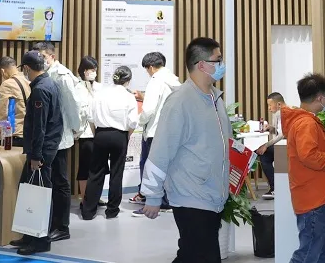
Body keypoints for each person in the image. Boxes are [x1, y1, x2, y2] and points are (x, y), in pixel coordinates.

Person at [140, 38, 230, 263]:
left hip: (212, 196)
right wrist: (153, 195)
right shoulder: (180, 102)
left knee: (198, 256)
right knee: (198, 256)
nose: (222, 65)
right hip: (191, 196)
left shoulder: (215, 99)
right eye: (218, 60)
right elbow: (161, 151)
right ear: (202, 65)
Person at [283, 74, 325, 263]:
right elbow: (308, 155)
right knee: (309, 253)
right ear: (320, 97)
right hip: (315, 198)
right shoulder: (306, 123)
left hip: (320, 195)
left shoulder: (303, 121)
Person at [9, 51, 63, 256]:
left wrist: (36, 156)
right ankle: (29, 235)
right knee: (30, 192)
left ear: (26, 68)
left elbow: (39, 126)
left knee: (39, 195)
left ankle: (40, 240)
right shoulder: (50, 83)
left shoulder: (40, 89)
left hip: (41, 151)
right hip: (46, 148)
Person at [33, 42, 83, 242]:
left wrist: (76, 128)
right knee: (48, 182)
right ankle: (48, 224)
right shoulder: (43, 74)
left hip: (60, 137)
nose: (41, 60)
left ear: (52, 56)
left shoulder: (62, 75)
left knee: (60, 181)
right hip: (47, 137)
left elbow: (73, 105)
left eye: (43, 56)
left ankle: (62, 227)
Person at [82, 66, 138, 220]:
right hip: (120, 136)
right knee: (116, 173)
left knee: (95, 172)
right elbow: (133, 123)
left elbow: (90, 117)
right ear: (128, 80)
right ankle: (112, 211)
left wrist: (97, 134)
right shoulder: (128, 96)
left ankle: (88, 211)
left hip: (100, 134)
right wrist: (126, 137)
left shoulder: (100, 94)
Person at [130, 51, 179, 215]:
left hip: (154, 132)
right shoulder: (174, 81)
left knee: (151, 169)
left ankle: (153, 204)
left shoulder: (155, 81)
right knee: (166, 168)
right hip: (169, 131)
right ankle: (166, 201)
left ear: (150, 67)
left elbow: (149, 110)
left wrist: (139, 120)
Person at [75, 56, 100, 205]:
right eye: (91, 70)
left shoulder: (98, 86)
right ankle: (84, 199)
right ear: (84, 71)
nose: (93, 72)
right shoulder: (78, 87)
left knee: (97, 167)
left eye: (95, 69)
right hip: (85, 132)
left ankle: (94, 197)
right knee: (85, 166)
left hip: (99, 131)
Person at [0, 56, 31, 146]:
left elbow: (3, 112)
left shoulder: (7, 84)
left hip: (15, 134)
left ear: (3, 71)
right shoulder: (27, 80)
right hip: (29, 132)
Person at [256, 92, 285, 200]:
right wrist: (271, 128)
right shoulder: (279, 113)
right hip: (283, 145)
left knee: (264, 154)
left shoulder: (284, 113)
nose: (268, 108)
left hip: (287, 146)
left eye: (270, 105)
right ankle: (274, 187)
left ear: (279, 104)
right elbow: (280, 131)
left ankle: (275, 188)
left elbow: (282, 135)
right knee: (264, 154)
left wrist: (266, 145)